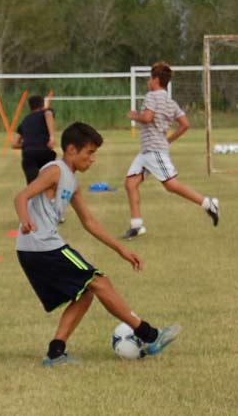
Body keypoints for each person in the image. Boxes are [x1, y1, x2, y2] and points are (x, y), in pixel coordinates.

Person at [14, 122, 180, 366]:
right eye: (89, 152)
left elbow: (89, 221)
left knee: (85, 294)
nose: (92, 159)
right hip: (42, 246)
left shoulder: (71, 180)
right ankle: (150, 335)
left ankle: (55, 353)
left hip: (36, 249)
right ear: (71, 149)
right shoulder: (55, 171)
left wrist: (121, 249)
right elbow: (21, 196)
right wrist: (26, 219)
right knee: (99, 282)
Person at [123, 61, 219, 239]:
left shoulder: (152, 96)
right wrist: (169, 140)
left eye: (150, 78)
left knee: (171, 185)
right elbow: (185, 124)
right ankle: (137, 226)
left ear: (156, 79)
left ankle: (208, 204)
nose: (148, 82)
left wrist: (135, 115)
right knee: (130, 184)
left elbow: (148, 117)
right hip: (148, 150)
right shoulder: (170, 101)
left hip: (154, 150)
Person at [12, 95, 57, 184]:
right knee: (49, 182)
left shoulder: (24, 121)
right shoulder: (45, 112)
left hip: (28, 154)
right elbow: (48, 114)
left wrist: (27, 143)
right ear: (42, 105)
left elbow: (14, 144)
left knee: (33, 186)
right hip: (43, 152)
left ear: (30, 107)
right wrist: (52, 137)